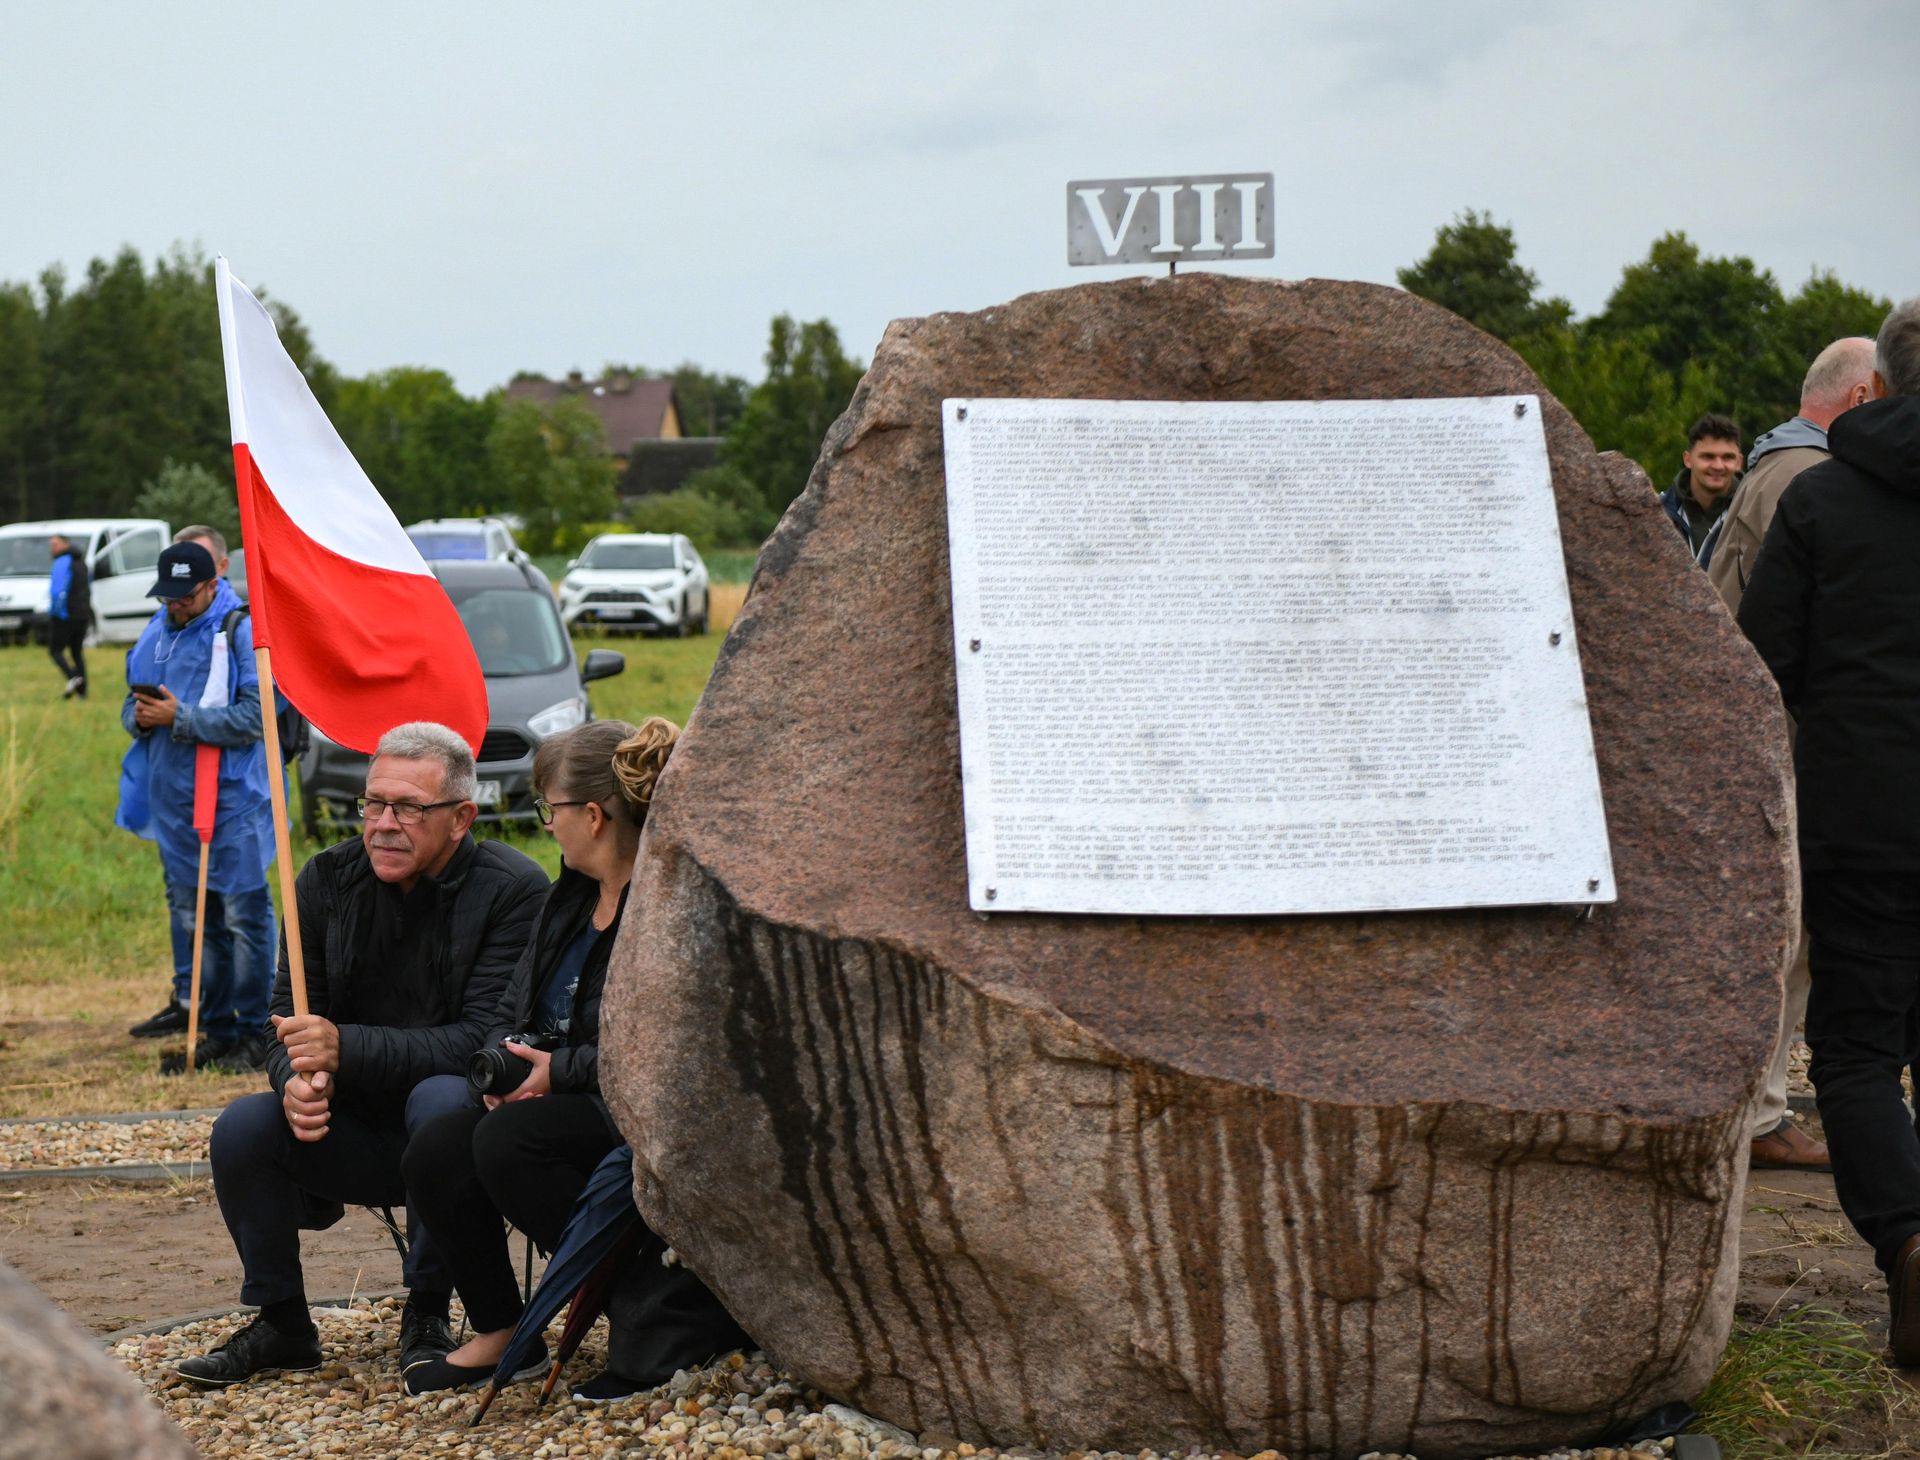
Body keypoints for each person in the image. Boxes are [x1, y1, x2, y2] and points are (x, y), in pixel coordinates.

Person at [174, 722, 548, 1386]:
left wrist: (344, 1047)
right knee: (244, 1126)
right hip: (348, 1131)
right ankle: (283, 1322)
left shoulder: (514, 891)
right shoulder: (323, 882)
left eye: (407, 808)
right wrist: (296, 1077)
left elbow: (481, 1043)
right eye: (373, 803)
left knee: (439, 1102)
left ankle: (429, 1310)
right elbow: (287, 1020)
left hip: (456, 1138)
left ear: (461, 817)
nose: (383, 823)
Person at [401, 717, 745, 1400]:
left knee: (509, 1142)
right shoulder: (569, 897)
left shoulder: (667, 905)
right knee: (439, 1139)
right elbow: (512, 1002)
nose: (546, 826)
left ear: (591, 815)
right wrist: (503, 1065)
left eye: (550, 809)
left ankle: (662, 1307)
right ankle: (502, 1326)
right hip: (555, 1096)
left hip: (633, 1113)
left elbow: (667, 1046)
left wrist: (556, 1072)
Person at [1738, 295, 1920, 1362]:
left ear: (1881, 385)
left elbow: (1767, 668)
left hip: (1862, 811)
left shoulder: (1820, 502)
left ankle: (1904, 1237)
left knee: (1853, 1050)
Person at [1702, 338, 1878, 1175]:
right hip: (1792, 742)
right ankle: (1763, 1112)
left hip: (1759, 732)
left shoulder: (1773, 466)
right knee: (1792, 932)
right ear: (1857, 397)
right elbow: (1793, 632)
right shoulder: (1810, 480)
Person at [116, 541, 278, 1073]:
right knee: (196, 920)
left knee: (243, 918)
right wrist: (140, 718)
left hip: (234, 804)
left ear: (212, 585)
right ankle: (217, 1028)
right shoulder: (155, 630)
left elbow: (257, 719)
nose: (175, 605)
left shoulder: (240, 630)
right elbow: (130, 705)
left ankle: (258, 1032)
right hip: (174, 806)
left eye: (185, 596)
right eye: (168, 596)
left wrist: (178, 718)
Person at [1658, 413, 1743, 556]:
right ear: (1688, 459)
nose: (1718, 466)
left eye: (1727, 457)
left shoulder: (1754, 515)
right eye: (1708, 457)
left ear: (1739, 462)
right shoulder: (1659, 511)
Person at [46, 531, 89, 699]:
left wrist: (56, 612)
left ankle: (73, 678)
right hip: (83, 614)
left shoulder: (62, 562)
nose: (52, 548)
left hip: (66, 615)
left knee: (55, 650)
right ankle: (82, 693)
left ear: (65, 544)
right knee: (76, 652)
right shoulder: (81, 562)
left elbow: (57, 592)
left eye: (55, 544)